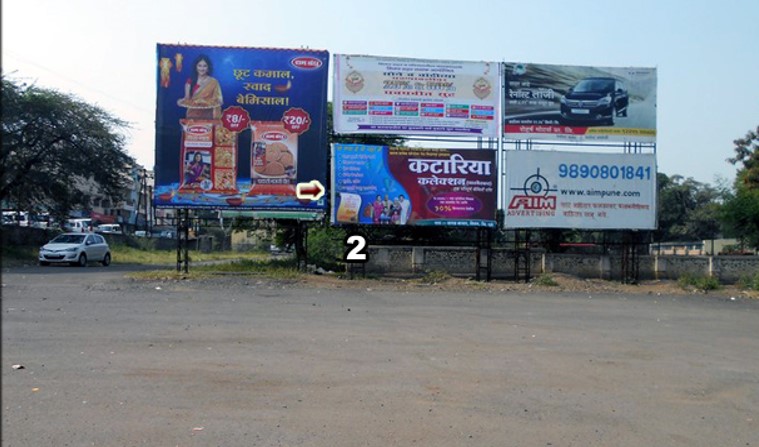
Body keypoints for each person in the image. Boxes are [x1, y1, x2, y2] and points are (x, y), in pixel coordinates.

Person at [178, 54, 223, 119]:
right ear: (196, 67)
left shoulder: (213, 82)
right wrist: (182, 101)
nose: (202, 69)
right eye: (199, 66)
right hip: (192, 116)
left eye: (205, 66)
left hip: (208, 116)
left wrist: (203, 101)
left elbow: (218, 100)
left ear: (208, 68)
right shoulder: (190, 81)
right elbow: (187, 99)